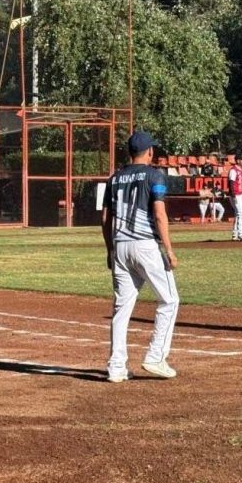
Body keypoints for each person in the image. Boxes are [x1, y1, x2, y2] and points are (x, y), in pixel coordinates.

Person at [101, 130, 180, 383]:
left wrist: (109, 250)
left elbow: (105, 218)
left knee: (121, 309)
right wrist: (168, 249)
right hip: (145, 245)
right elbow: (159, 215)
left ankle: (116, 367)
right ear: (150, 152)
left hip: (120, 245)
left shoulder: (114, 178)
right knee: (169, 300)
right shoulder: (155, 175)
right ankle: (156, 356)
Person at [228, 154, 242, 241]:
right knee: (240, 213)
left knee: (239, 213)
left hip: (241, 194)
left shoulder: (240, 171)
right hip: (236, 194)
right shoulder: (234, 170)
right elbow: (231, 183)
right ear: (238, 161)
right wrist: (233, 195)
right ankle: (241, 233)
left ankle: (235, 234)